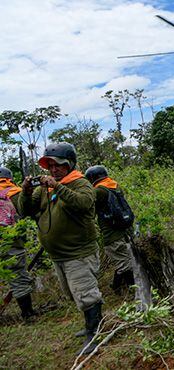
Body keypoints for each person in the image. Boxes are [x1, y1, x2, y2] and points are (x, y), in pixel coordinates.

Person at [17, 143, 102, 355]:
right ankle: (90, 326)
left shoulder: (80, 183)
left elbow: (84, 203)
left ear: (70, 165)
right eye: (50, 166)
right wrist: (26, 193)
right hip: (59, 254)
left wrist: (58, 187)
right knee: (74, 294)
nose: (53, 170)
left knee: (86, 294)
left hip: (78, 252)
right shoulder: (45, 188)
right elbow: (25, 210)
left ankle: (96, 333)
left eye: (58, 166)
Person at [84, 165, 135, 294]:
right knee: (124, 261)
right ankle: (117, 287)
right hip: (124, 230)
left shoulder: (99, 191)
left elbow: (87, 208)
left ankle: (134, 291)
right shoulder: (114, 186)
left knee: (124, 263)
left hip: (112, 234)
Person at [0, 167, 36, 322]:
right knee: (18, 276)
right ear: (9, 178)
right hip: (11, 243)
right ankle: (27, 314)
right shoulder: (15, 192)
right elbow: (29, 212)